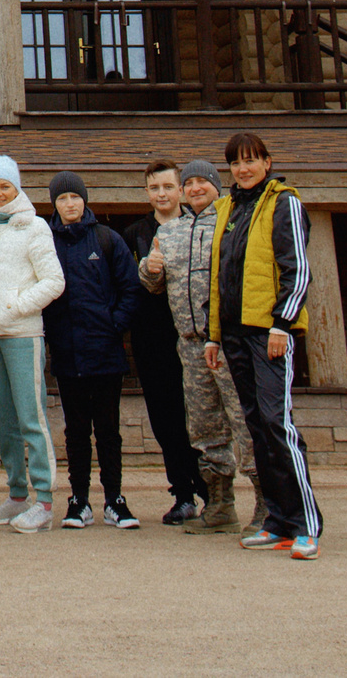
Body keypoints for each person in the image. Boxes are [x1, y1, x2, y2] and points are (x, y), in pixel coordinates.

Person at [209, 133, 321, 560]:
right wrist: (215, 335)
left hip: (270, 333)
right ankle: (278, 520)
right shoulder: (230, 209)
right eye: (236, 162)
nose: (244, 168)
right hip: (234, 334)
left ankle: (307, 524)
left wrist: (283, 324)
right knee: (257, 427)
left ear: (268, 163)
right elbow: (222, 275)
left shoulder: (284, 203)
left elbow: (297, 269)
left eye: (252, 160)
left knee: (278, 423)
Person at [144, 158, 257, 535]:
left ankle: (267, 502)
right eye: (189, 183)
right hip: (190, 347)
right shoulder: (171, 232)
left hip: (228, 344)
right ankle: (220, 504)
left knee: (244, 423)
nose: (195, 189)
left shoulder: (230, 224)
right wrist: (150, 269)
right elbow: (155, 286)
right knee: (205, 429)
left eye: (201, 183)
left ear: (215, 186)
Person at [40, 172, 141, 530]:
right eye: (62, 198)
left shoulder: (107, 239)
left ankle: (114, 499)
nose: (70, 204)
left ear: (85, 200)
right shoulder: (45, 241)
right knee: (76, 430)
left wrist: (113, 326)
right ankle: (78, 499)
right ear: (54, 204)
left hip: (106, 353)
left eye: (75, 197)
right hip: (67, 354)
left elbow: (131, 289)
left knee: (109, 429)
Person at [0, 157, 64, 534]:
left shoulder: (35, 226)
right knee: (2, 419)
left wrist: (15, 306)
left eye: (4, 187)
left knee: (31, 417)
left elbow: (54, 281)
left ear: (17, 188)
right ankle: (16, 494)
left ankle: (43, 499)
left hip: (22, 334)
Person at [126, 159, 203, 525]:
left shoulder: (199, 228)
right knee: (166, 419)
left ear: (181, 189)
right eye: (155, 188)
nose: (162, 194)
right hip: (153, 342)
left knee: (202, 417)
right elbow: (127, 289)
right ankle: (183, 493)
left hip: (195, 339)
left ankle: (212, 489)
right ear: (147, 192)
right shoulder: (135, 235)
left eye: (168, 187)